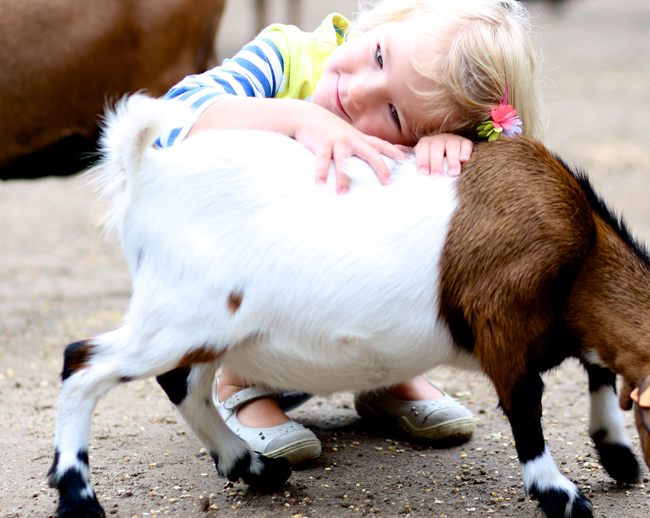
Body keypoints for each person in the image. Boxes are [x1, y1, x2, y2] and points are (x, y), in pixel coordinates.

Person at [155, 0, 545, 464]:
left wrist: (453, 164)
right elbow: (167, 119)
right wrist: (301, 120)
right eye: (380, 56)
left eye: (396, 114)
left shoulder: (415, 139)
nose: (359, 92)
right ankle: (241, 384)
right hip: (239, 279)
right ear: (391, 17)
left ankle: (389, 373)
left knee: (431, 213)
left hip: (332, 300)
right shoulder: (286, 56)